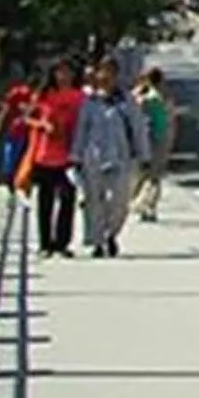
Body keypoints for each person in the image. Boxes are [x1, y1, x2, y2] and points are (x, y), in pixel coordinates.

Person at [74, 59, 150, 257]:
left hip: (120, 156)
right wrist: (76, 155)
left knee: (119, 201)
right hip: (93, 156)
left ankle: (111, 233)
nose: (106, 76)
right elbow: (81, 130)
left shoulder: (127, 101)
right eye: (103, 72)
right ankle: (98, 240)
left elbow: (138, 128)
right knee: (94, 200)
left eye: (110, 72)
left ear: (116, 76)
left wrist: (144, 155)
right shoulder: (90, 102)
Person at [27, 61, 86, 257]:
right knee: (46, 200)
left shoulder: (79, 97)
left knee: (68, 199)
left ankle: (62, 242)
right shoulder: (44, 95)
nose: (64, 76)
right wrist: (42, 125)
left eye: (68, 72)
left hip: (69, 155)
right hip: (45, 155)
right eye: (60, 72)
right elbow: (27, 117)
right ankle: (45, 244)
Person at [132, 67, 176, 221]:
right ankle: (149, 206)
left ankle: (143, 205)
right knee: (154, 176)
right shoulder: (166, 97)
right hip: (162, 138)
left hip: (149, 138)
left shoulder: (147, 98)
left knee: (143, 174)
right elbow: (172, 120)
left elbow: (134, 111)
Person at [0, 77, 36, 203]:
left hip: (29, 135)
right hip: (15, 134)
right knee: (10, 163)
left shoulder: (40, 96)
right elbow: (4, 112)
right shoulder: (18, 93)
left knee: (23, 165)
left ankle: (22, 191)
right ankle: (13, 191)